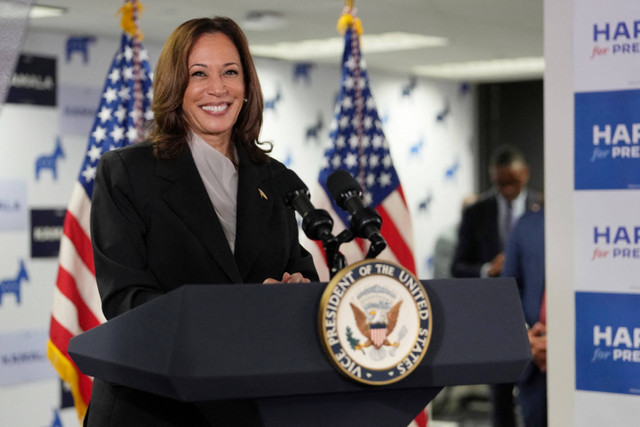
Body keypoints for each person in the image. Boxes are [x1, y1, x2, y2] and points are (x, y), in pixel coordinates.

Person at [84, 17, 318, 427]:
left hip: (248, 405)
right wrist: (243, 311)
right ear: (176, 86)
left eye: (230, 72)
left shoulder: (273, 176)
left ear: (247, 87)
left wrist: (297, 292)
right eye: (199, 74)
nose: (218, 88)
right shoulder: (127, 172)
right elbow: (126, 301)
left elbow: (297, 266)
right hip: (154, 409)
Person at [450, 145, 542, 427]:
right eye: (500, 183)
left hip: (538, 319)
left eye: (512, 182)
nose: (506, 189)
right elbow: (457, 266)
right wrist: (488, 269)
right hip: (494, 317)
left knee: (538, 399)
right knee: (500, 398)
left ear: (525, 174)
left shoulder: (544, 210)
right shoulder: (477, 211)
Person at [502, 209, 547, 427]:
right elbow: (509, 288)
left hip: (587, 358)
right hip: (534, 359)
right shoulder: (526, 225)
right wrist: (527, 335)